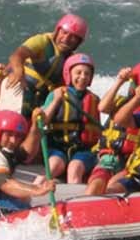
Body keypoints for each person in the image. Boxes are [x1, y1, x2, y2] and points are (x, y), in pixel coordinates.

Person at [85, 62, 140, 196]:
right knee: (95, 186)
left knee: (111, 187)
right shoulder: (119, 102)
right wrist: (120, 81)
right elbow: (102, 107)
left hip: (130, 165)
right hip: (109, 157)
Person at [4, 13, 89, 117]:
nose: (66, 39)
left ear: (78, 42)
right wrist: (18, 71)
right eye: (64, 33)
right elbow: (17, 56)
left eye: (73, 37)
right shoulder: (42, 41)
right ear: (57, 31)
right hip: (19, 88)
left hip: (40, 99)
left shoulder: (71, 60)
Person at [41, 52, 102, 183]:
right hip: (58, 147)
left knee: (75, 168)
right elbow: (43, 121)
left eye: (87, 74)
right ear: (69, 74)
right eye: (78, 72)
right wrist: (56, 101)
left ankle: (77, 201)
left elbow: (98, 130)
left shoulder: (94, 99)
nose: (83, 77)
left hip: (83, 150)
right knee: (53, 166)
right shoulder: (56, 94)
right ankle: (34, 192)